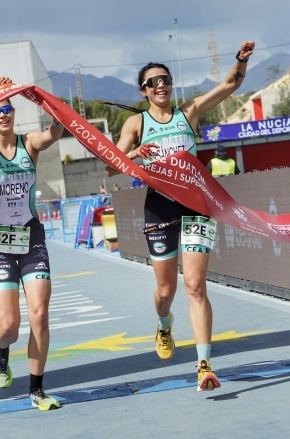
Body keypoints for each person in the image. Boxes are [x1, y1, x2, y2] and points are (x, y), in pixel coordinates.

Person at [109, 41, 255, 391]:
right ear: (144, 91)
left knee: (195, 285)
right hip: (159, 206)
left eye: (166, 79)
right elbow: (110, 165)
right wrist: (135, 157)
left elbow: (230, 85)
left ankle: (204, 365)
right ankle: (163, 323)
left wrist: (240, 61)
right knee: (165, 289)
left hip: (195, 205)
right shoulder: (136, 123)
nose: (161, 85)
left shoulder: (187, 113)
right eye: (153, 81)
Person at [0, 76, 64, 411]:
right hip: (0, 242)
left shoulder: (28, 143)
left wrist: (50, 106)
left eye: (8, 108)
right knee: (9, 326)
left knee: (41, 315)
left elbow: (54, 132)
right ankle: (1, 354)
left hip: (31, 237)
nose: (3, 115)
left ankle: (37, 389)